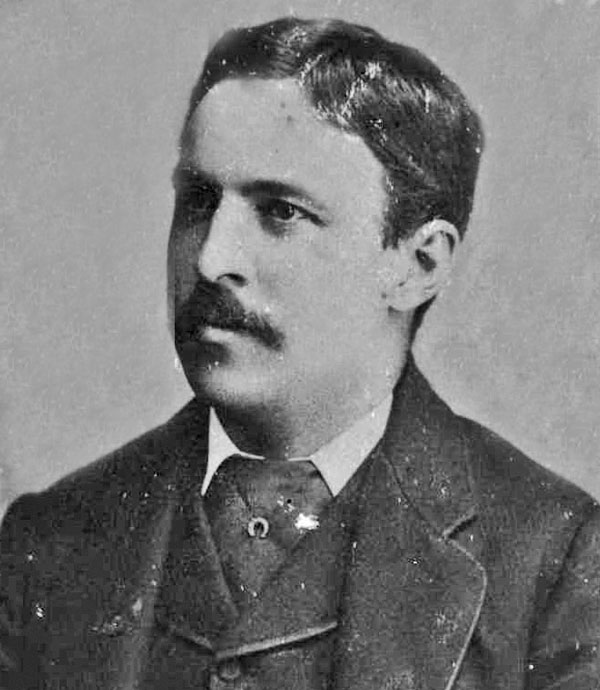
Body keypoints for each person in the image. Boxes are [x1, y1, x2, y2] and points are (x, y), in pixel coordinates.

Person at [1, 16, 599, 690]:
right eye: (198, 201)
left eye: (281, 212)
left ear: (417, 264)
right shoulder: (45, 542)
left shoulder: (555, 563)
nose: (211, 259)